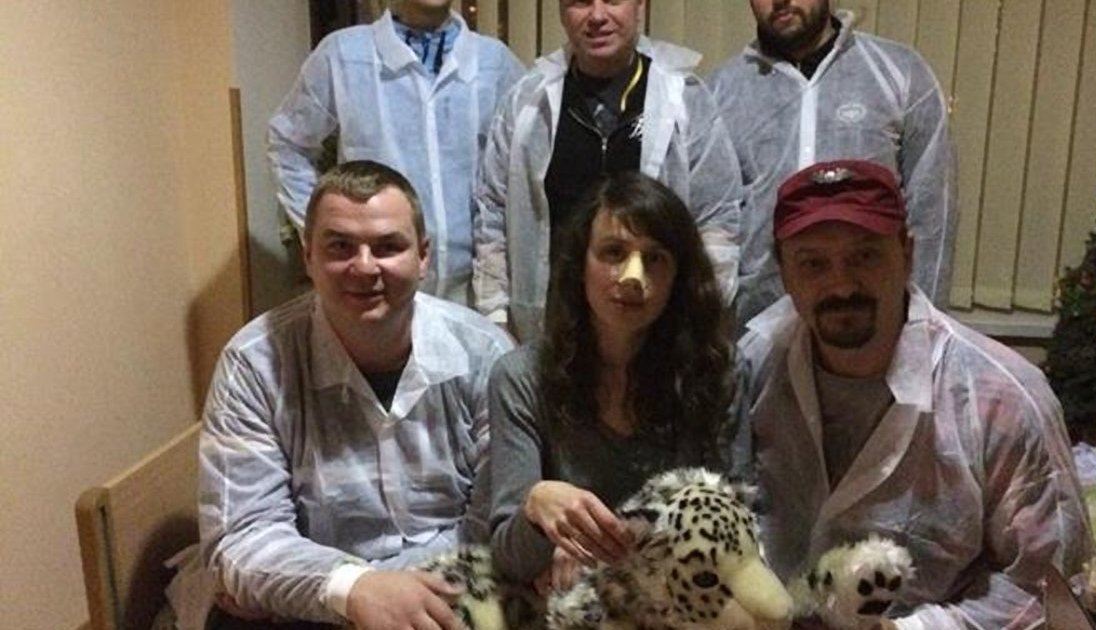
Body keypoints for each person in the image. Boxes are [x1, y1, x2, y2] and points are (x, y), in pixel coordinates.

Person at [740, 160, 1090, 628]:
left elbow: (1051, 586)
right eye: (813, 263)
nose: (841, 284)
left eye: (865, 256)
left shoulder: (1002, 398)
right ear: (784, 273)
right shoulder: (751, 369)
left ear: (906, 255)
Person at [190, 161, 514, 629]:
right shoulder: (254, 363)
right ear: (308, 256)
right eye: (340, 246)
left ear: (423, 256)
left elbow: (494, 522)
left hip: (449, 593)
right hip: (318, 609)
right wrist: (353, 589)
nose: (364, 267)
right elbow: (242, 537)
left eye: (388, 247)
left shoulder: (484, 354)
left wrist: (375, 587)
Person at [486, 171, 751, 591]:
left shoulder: (719, 372)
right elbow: (510, 560)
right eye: (613, 252)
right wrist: (538, 512)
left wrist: (601, 553)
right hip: (564, 607)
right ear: (580, 264)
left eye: (655, 258)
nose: (632, 277)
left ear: (679, 276)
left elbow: (737, 529)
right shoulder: (520, 378)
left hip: (683, 600)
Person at [474, 0, 742, 341]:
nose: (597, 16)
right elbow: (493, 216)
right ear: (562, 11)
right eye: (581, 2)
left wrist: (699, 318)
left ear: (640, 5)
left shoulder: (685, 100)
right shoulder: (526, 103)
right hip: (551, 331)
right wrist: (495, 320)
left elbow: (717, 219)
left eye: (613, 0)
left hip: (658, 332)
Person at [709, 0, 957, 329]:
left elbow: (932, 213)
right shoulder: (719, 93)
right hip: (755, 327)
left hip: (871, 320)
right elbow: (713, 226)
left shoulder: (900, 73)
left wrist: (923, 328)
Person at [268, 0, 524, 305]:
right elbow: (288, 143)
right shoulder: (344, 56)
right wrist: (329, 229)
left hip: (470, 289)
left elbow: (519, 167)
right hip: (373, 284)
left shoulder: (495, 63)